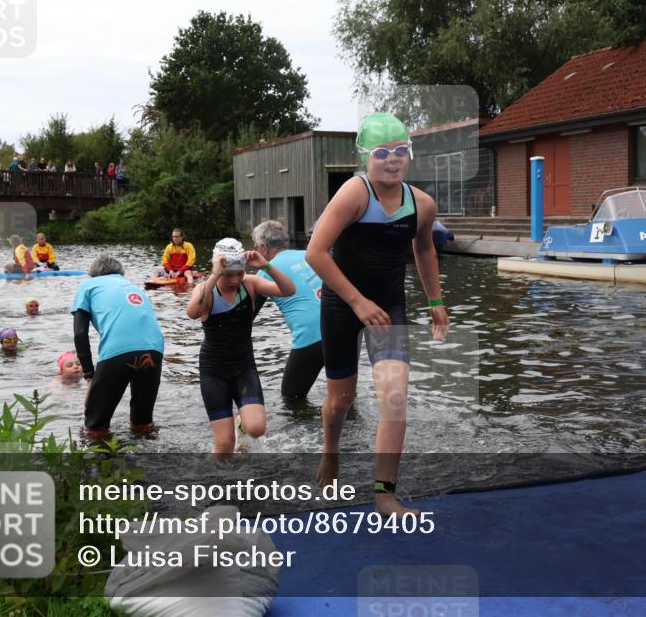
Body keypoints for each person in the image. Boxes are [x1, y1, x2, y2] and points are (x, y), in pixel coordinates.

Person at [306, 112, 449, 516]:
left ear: (410, 155)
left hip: (388, 306)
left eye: (401, 151)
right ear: (365, 157)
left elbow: (424, 250)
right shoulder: (354, 193)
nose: (393, 159)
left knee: (395, 397)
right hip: (342, 303)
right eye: (383, 152)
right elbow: (316, 253)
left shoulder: (422, 205)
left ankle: (384, 492)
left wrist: (436, 303)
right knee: (340, 402)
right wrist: (356, 301)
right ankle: (330, 451)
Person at [186, 238, 295, 454]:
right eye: (229, 274)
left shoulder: (250, 285)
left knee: (256, 429)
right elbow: (192, 312)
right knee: (224, 447)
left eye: (239, 273)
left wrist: (266, 266)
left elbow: (288, 290)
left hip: (244, 366)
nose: (235, 280)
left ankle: (241, 423)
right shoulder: (205, 290)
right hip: (214, 371)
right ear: (216, 269)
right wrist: (215, 275)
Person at [72, 254, 164, 437]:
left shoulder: (87, 285)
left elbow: (79, 333)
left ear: (92, 274)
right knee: (142, 424)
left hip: (118, 351)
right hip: (154, 349)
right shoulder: (133, 287)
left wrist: (90, 376)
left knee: (95, 427)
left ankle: (97, 462)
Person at [252, 220, 324, 408]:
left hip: (312, 335)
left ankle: (306, 436)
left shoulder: (266, 272)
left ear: (264, 247)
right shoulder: (309, 255)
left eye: (255, 247)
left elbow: (247, 316)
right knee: (343, 396)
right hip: (343, 329)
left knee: (291, 398)